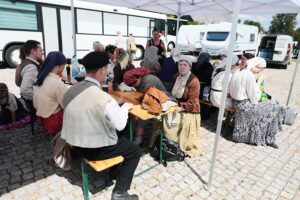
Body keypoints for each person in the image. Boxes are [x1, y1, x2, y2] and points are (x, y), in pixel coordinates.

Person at [61, 51, 141, 200]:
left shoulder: (71, 89)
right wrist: (124, 108)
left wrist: (112, 107)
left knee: (119, 136)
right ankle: (120, 193)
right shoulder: (103, 98)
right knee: (134, 151)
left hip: (74, 143)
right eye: (107, 69)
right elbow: (121, 124)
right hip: (92, 148)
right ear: (102, 70)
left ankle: (115, 169)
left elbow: (80, 107)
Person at [229, 57, 281, 148]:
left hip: (237, 104)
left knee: (272, 105)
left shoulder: (237, 71)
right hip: (245, 107)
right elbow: (255, 98)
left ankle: (266, 137)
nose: (259, 72)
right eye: (260, 69)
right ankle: (267, 138)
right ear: (255, 66)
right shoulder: (248, 75)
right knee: (275, 105)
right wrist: (260, 80)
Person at [123, 67, 169, 146]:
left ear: (138, 77)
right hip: (152, 100)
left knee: (142, 113)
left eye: (133, 84)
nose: (133, 86)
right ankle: (130, 131)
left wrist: (139, 100)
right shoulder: (141, 80)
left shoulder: (148, 81)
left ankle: (139, 137)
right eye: (130, 85)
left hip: (162, 101)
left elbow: (147, 99)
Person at [170, 55, 202, 157]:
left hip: (190, 110)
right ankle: (170, 141)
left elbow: (192, 102)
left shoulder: (194, 81)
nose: (182, 67)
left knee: (178, 122)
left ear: (190, 67)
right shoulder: (176, 76)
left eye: (185, 65)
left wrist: (180, 108)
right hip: (177, 105)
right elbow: (173, 93)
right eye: (180, 64)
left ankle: (179, 143)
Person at [33, 51, 68, 134]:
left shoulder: (41, 78)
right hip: (53, 121)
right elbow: (67, 105)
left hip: (42, 118)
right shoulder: (57, 84)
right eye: (64, 65)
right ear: (60, 66)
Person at [15, 40, 44, 116]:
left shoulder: (24, 63)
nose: (42, 52)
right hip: (33, 104)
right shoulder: (31, 67)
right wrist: (39, 99)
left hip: (30, 102)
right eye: (40, 50)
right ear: (33, 51)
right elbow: (25, 90)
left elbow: (18, 83)